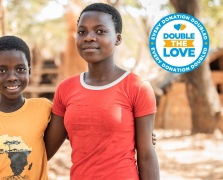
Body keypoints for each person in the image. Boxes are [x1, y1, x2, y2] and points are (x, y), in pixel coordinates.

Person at [44, 3, 160, 180]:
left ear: (118, 39)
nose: (89, 37)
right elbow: (44, 150)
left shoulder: (137, 87)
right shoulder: (66, 88)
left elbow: (146, 156)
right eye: (82, 32)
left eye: (100, 31)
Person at [0, 36, 52, 179]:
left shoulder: (44, 108)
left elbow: (77, 131)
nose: (12, 77)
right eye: (2, 71)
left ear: (29, 72)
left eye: (20, 69)